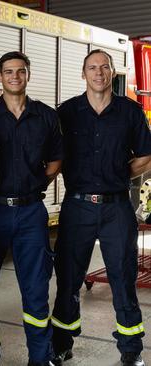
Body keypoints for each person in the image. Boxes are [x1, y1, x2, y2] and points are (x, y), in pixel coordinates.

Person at [51, 49, 151, 366]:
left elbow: (146, 155)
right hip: (77, 207)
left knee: (123, 277)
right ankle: (61, 343)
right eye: (92, 67)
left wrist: (120, 175)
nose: (98, 72)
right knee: (67, 277)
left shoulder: (131, 113)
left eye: (104, 67)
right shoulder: (65, 113)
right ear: (84, 74)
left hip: (116, 208)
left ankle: (131, 351)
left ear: (112, 73)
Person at [0, 51, 63, 366]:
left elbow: (55, 162)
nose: (14, 77)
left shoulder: (46, 117)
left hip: (30, 212)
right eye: (8, 72)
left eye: (20, 71)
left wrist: (37, 185)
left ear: (27, 75)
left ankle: (40, 356)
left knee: (36, 288)